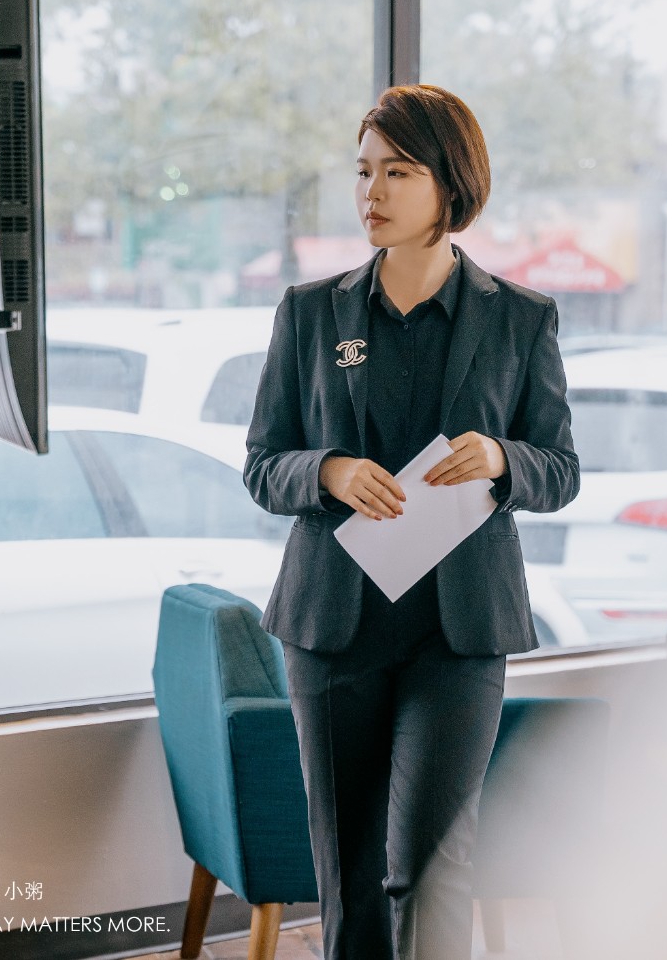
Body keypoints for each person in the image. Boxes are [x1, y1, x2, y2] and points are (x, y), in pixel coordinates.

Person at [242, 83, 580, 960]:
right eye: (363, 171)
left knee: (430, 870)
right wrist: (331, 471)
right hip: (332, 627)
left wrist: (506, 460)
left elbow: (562, 472)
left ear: (451, 184)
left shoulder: (521, 319)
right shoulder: (310, 314)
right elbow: (262, 465)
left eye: (398, 170)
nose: (372, 192)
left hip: (458, 634)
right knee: (348, 873)